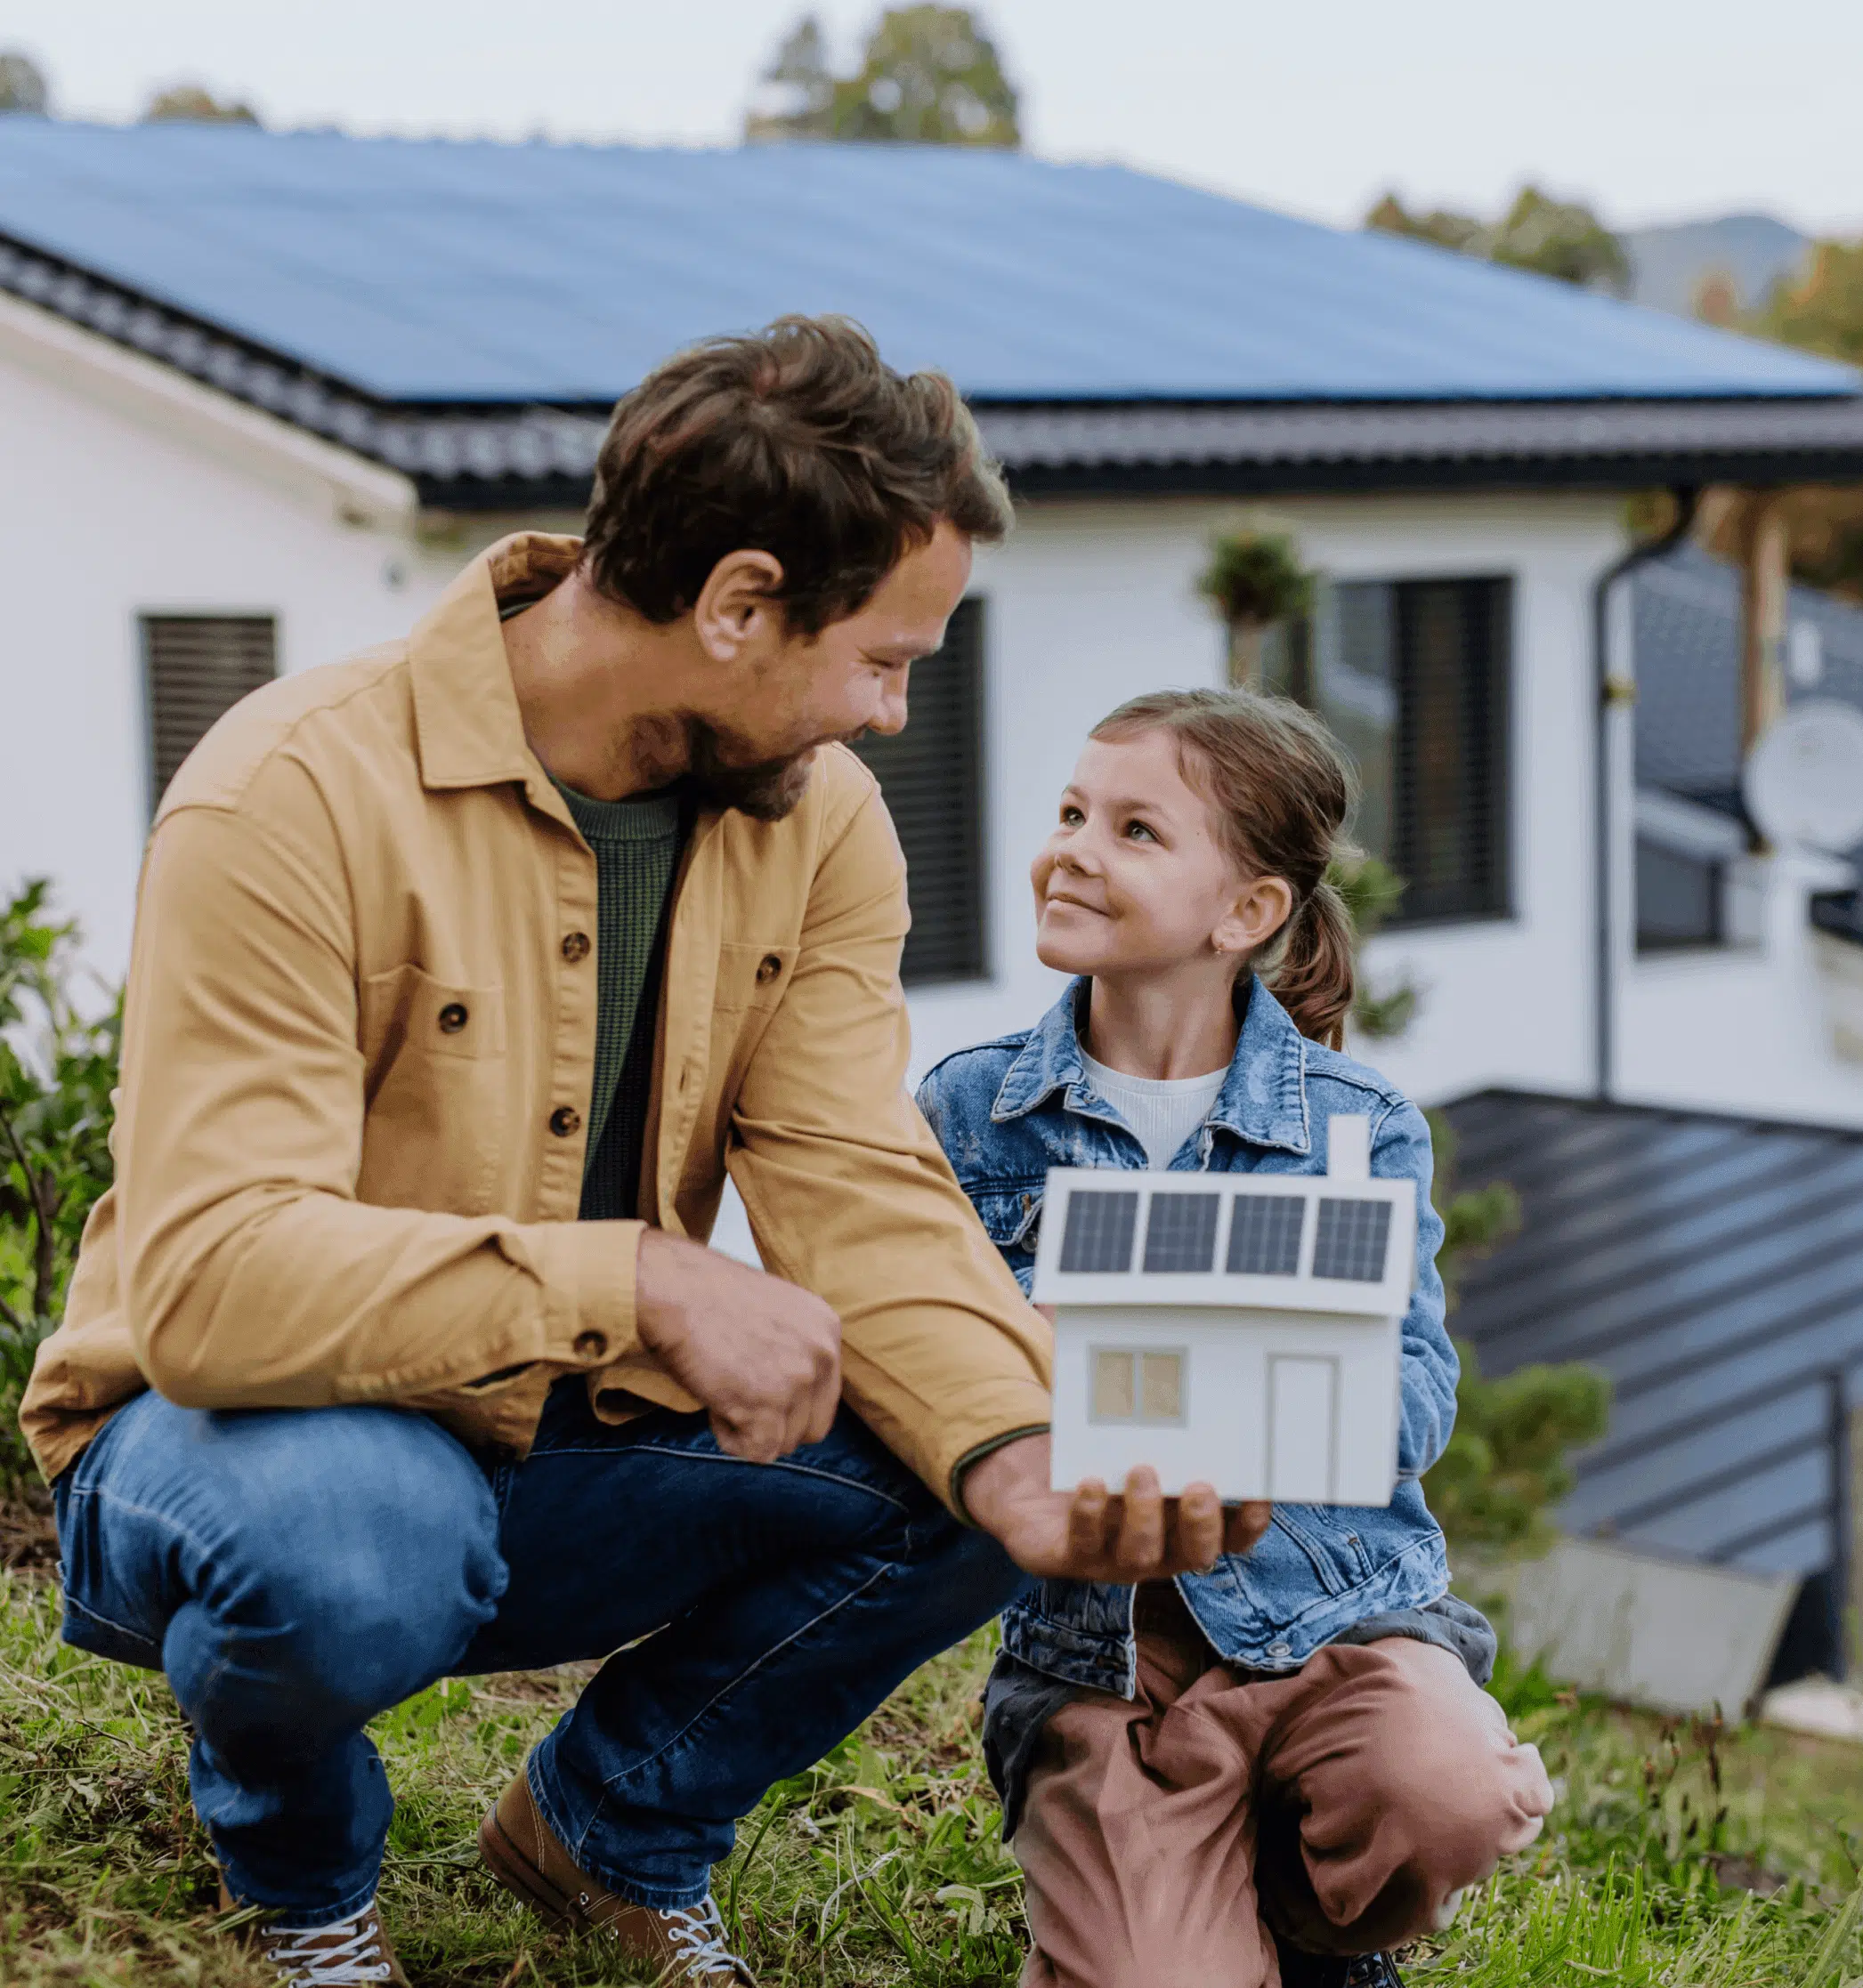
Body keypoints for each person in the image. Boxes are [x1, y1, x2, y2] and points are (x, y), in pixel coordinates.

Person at [20, 319, 1263, 1988]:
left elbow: (854, 1182)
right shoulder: (292, 789)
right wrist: (637, 1276)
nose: (895, 715)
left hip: (561, 1446)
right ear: (740, 604)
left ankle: (608, 1825)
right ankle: (304, 1875)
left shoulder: (816, 825)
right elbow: (209, 1288)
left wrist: (1020, 1446)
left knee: (971, 1434)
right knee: (360, 1537)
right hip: (235, 1448)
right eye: (885, 661)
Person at [917, 690, 1555, 1988]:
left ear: (1248, 912)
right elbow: (923, 1369)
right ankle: (1190, 1894)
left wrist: (1180, 1371)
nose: (1077, 848)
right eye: (1073, 812)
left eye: (1137, 828)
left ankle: (1307, 1917)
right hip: (1107, 1656)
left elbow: (1419, 1391)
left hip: (1339, 1616)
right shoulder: (971, 1109)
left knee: (1449, 1792)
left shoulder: (1356, 1122)